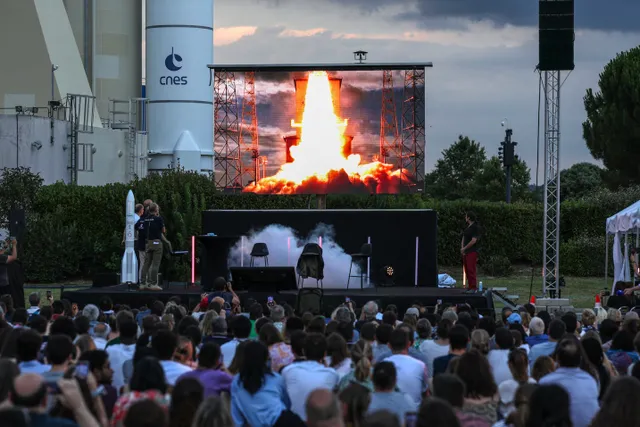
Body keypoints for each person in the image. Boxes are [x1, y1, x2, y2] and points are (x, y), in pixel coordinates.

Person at [139, 203, 165, 291]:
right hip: (156, 242)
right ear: (156, 210)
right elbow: (163, 230)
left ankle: (143, 283)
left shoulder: (145, 219)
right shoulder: (158, 219)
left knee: (146, 263)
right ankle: (153, 283)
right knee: (155, 263)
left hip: (148, 242)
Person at [461, 212, 480, 290]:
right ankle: (470, 286)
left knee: (471, 269)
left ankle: (473, 287)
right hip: (466, 252)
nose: (465, 217)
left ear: (468, 218)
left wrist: (465, 248)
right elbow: (464, 237)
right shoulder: (468, 227)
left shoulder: (475, 227)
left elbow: (473, 240)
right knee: (467, 269)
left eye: (466, 216)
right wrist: (462, 248)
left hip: (471, 252)